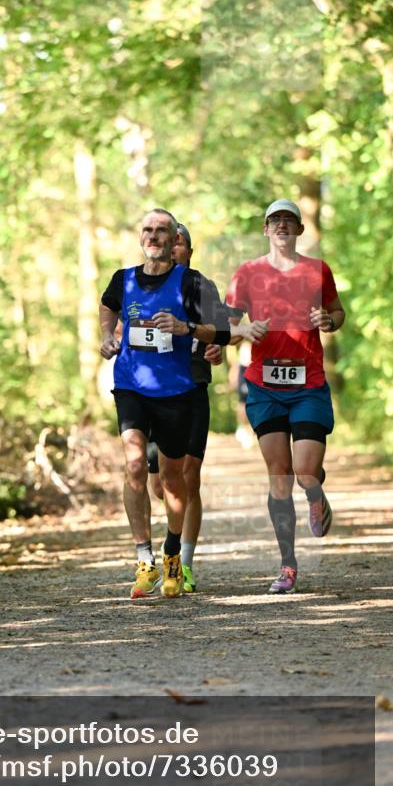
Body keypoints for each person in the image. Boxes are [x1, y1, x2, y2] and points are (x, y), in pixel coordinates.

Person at [99, 210, 231, 599]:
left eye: (162, 231)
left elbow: (221, 330)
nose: (154, 236)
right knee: (135, 463)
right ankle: (144, 558)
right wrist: (108, 336)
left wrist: (186, 328)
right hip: (131, 386)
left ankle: (172, 552)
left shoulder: (191, 282)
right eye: (148, 230)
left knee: (173, 481)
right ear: (140, 237)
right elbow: (108, 306)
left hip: (177, 391)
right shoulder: (122, 280)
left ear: (175, 240)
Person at [225, 198, 345, 594]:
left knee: (306, 472)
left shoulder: (317, 270)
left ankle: (315, 493)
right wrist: (243, 332)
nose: (281, 226)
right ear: (265, 229)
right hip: (264, 385)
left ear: (298, 230)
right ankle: (288, 566)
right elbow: (225, 323)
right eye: (274, 220)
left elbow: (337, 313)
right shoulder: (247, 273)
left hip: (308, 382)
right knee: (280, 477)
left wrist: (328, 321)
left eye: (288, 221)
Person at [146, 223, 224, 594]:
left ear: (189, 251)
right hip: (150, 390)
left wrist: (217, 348)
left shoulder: (201, 286)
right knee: (160, 485)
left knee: (188, 476)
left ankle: (183, 564)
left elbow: (220, 331)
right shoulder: (142, 283)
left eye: (180, 243)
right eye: (169, 241)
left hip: (192, 385)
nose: (173, 247)